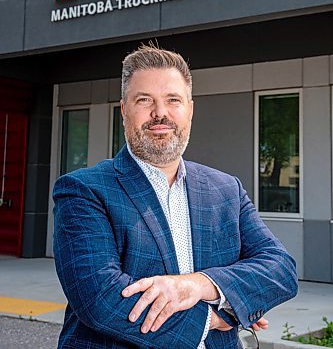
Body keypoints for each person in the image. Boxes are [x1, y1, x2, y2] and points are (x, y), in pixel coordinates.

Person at [53, 43, 298, 349]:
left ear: (190, 110)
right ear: (124, 110)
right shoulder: (83, 190)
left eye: (173, 100)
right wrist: (221, 317)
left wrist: (196, 285)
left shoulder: (226, 190)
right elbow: (101, 300)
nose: (160, 113)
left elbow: (280, 269)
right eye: (145, 100)